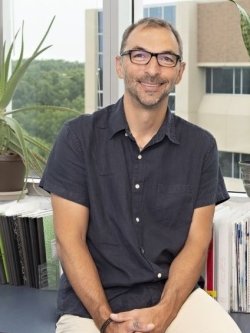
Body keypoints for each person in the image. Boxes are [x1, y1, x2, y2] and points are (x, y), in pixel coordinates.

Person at [40, 17, 242, 333]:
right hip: (91, 308)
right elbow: (70, 241)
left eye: (166, 58)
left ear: (179, 71)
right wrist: (106, 322)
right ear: (120, 65)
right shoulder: (77, 138)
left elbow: (196, 243)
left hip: (175, 301)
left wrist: (164, 312)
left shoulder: (201, 146)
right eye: (140, 55)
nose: (152, 69)